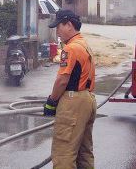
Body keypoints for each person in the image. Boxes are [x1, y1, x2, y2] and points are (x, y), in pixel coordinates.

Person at [43, 9, 96, 169]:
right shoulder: (84, 44)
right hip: (88, 99)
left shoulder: (70, 48)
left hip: (73, 103)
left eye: (59, 27)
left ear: (69, 25)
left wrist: (51, 101)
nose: (57, 32)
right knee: (84, 153)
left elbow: (62, 80)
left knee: (63, 153)